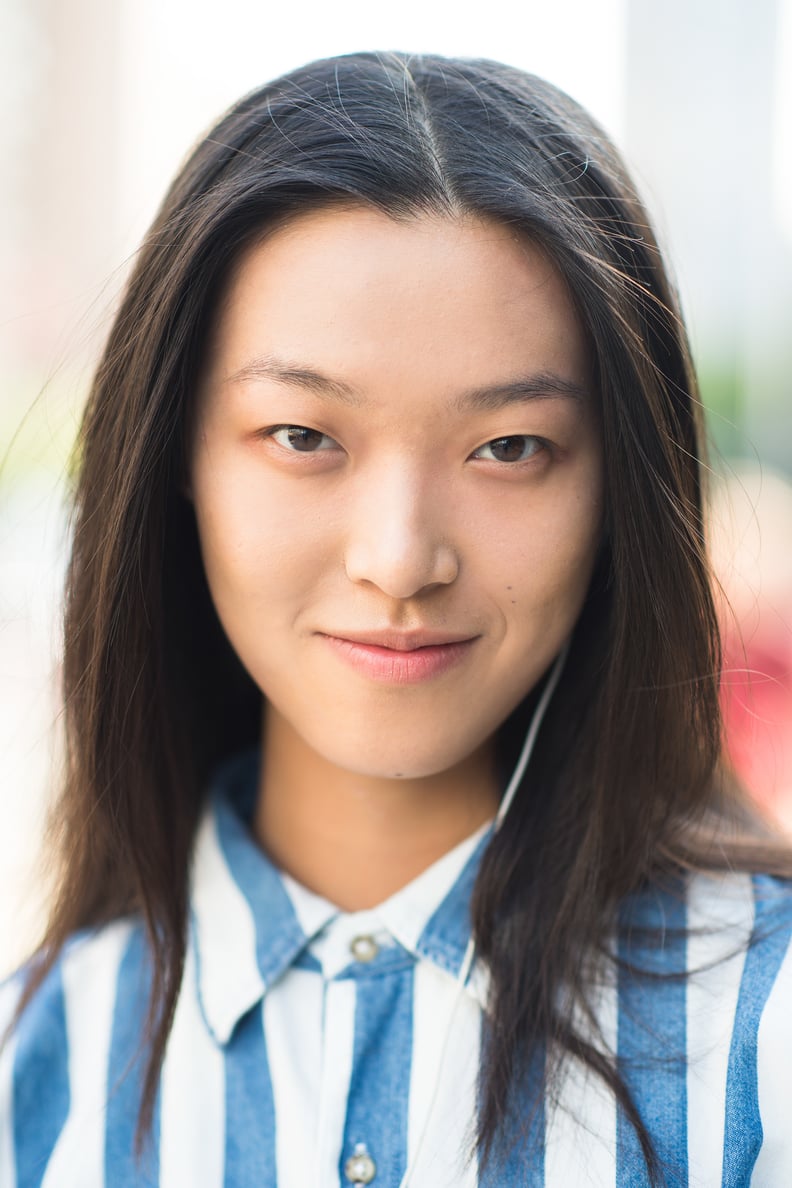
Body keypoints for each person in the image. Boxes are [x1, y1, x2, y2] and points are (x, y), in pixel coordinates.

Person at [1, 50, 791, 1188]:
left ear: (618, 482)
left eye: (508, 448)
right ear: (176, 454)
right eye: (304, 437)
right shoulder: (38, 1074)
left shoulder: (762, 1039)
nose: (400, 560)